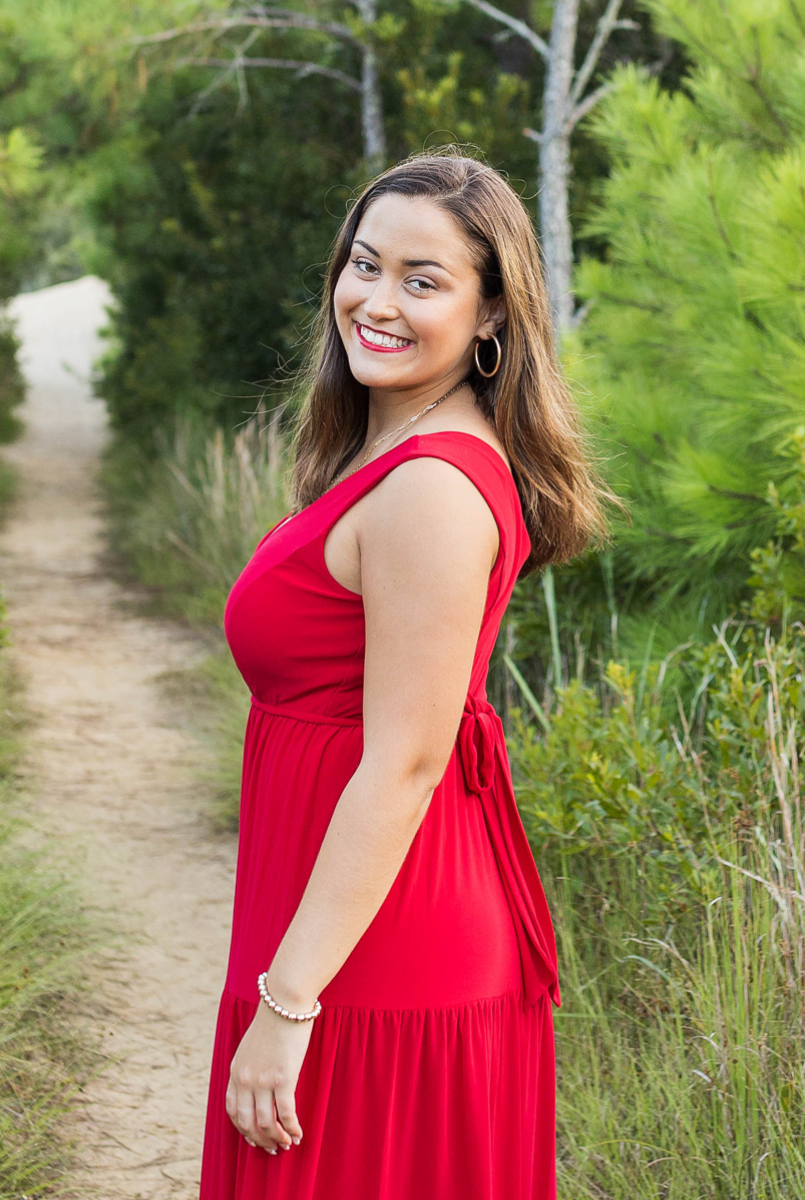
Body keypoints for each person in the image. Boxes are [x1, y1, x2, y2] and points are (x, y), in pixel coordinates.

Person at [199, 150, 610, 1198]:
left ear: (490, 318)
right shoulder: (393, 456)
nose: (377, 301)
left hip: (386, 953)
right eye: (365, 265)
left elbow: (409, 763)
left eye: (423, 281)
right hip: (349, 928)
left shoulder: (433, 488)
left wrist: (288, 1003)